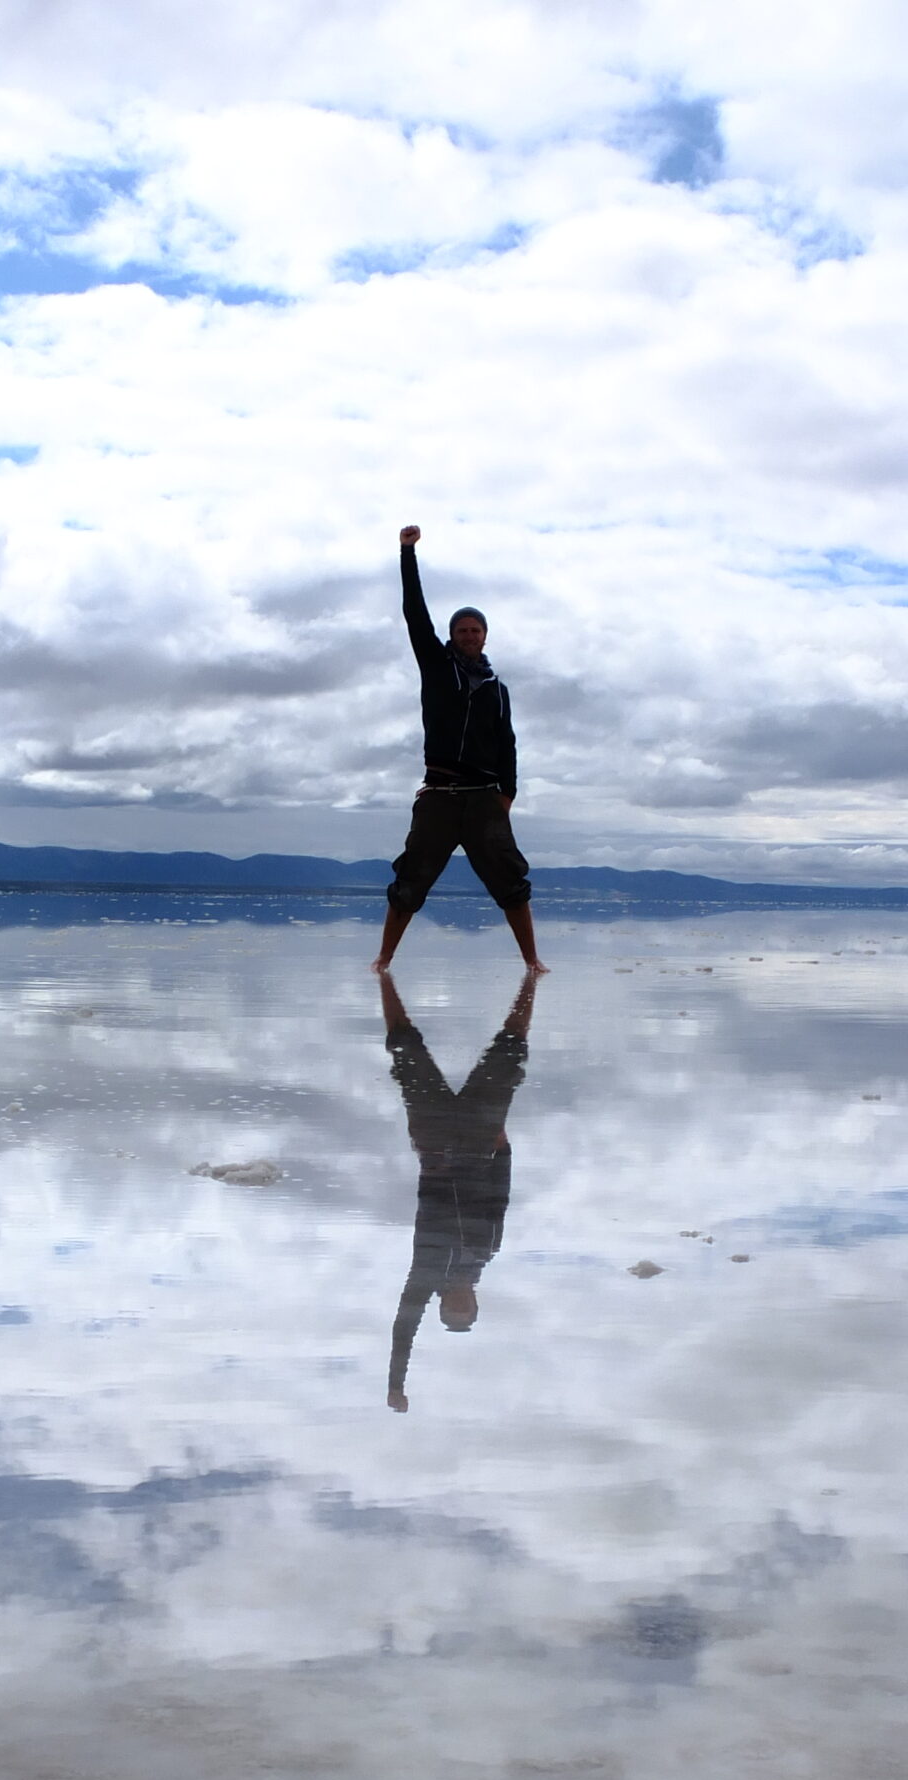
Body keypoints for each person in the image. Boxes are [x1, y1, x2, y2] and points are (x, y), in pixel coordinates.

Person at [373, 526, 545, 972]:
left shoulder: (497, 689)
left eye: (476, 629)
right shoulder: (435, 665)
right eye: (462, 629)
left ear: (485, 636)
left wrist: (508, 793)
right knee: (411, 879)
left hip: (485, 798)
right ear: (453, 635)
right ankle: (384, 960)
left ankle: (532, 962)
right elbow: (414, 612)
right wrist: (406, 553)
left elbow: (507, 744)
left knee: (510, 880)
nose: (469, 635)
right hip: (440, 795)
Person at [381, 969, 536, 1412]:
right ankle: (530, 981)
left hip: (434, 1140)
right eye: (466, 1307)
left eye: (453, 1308)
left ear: (443, 1305)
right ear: (475, 1303)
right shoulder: (488, 1251)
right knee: (511, 1054)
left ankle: (385, 980)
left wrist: (396, 1383)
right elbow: (499, 1198)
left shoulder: (426, 1275)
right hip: (478, 1138)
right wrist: (503, 1150)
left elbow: (402, 1328)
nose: (460, 1301)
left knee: (405, 1051)